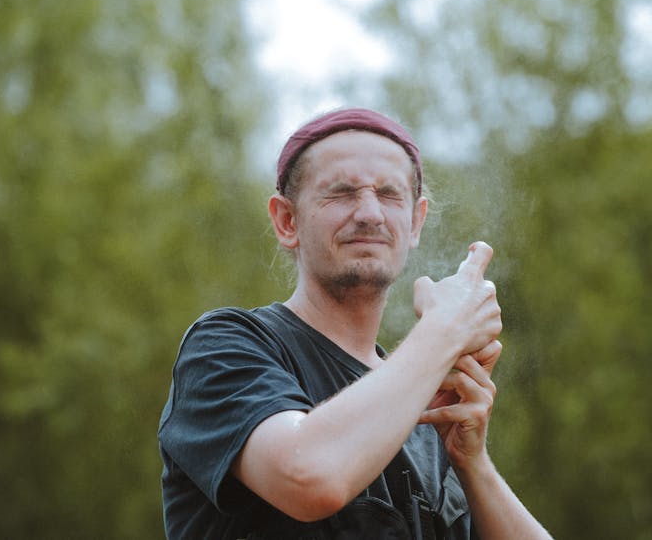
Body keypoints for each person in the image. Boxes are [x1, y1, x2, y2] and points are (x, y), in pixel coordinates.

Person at [158, 107, 551, 539]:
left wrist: (470, 460)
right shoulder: (224, 347)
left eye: (389, 195)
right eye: (341, 193)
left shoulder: (428, 412)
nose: (369, 214)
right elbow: (309, 478)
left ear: (415, 221)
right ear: (287, 221)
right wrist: (445, 330)